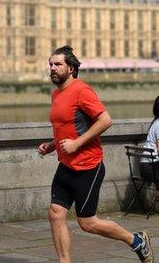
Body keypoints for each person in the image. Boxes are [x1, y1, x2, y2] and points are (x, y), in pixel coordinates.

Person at [37, 45, 153, 263]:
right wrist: (52, 145)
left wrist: (77, 143)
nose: (52, 68)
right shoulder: (56, 94)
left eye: (58, 64)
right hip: (66, 164)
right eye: (50, 64)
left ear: (71, 68)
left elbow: (106, 120)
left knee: (87, 222)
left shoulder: (82, 90)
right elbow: (68, 127)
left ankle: (137, 241)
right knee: (55, 214)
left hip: (88, 166)